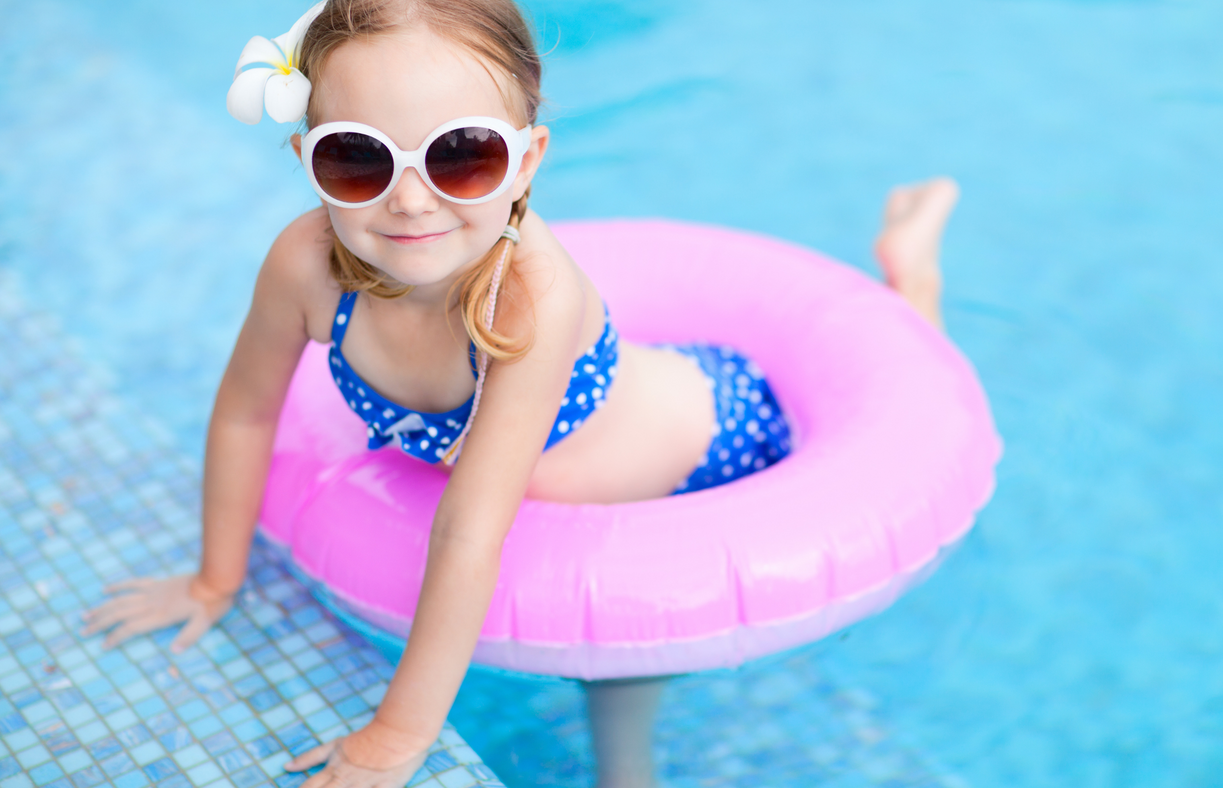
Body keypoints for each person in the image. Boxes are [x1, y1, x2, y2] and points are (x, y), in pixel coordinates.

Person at [81, 1, 961, 786]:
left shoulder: (525, 299)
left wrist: (397, 733)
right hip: (604, 444)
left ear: (528, 157)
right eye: (358, 159)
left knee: (619, 662)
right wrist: (212, 580)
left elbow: (471, 529)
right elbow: (245, 410)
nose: (411, 200)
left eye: (462, 156)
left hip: (709, 444)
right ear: (307, 157)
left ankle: (908, 281)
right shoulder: (305, 265)